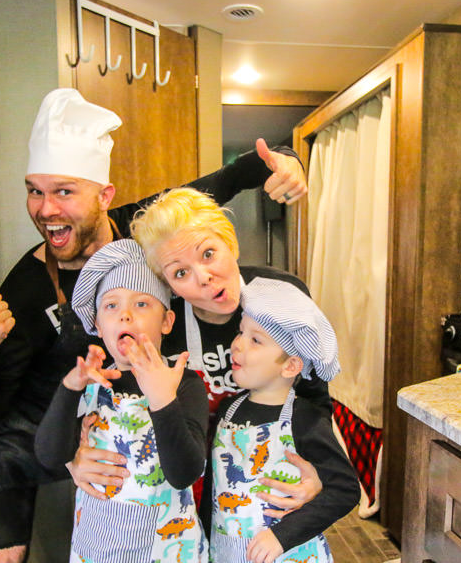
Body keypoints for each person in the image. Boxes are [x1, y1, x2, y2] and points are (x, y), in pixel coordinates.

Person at [0, 88, 308, 563]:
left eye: (64, 191)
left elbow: (235, 172)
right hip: (45, 417)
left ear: (104, 196)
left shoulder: (146, 229)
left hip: (141, 412)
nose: (46, 209)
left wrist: (283, 162)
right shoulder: (26, 286)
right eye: (35, 193)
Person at [70, 188, 331, 513]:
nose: (203, 277)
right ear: (168, 286)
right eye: (180, 273)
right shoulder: (162, 326)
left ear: (229, 242)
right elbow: (96, 388)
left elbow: (315, 399)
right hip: (191, 485)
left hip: (277, 475)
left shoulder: (283, 296)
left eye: (208, 254)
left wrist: (319, 469)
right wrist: (75, 456)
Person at [34, 239, 209, 563]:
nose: (125, 314)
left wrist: (160, 397)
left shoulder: (182, 384)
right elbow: (48, 453)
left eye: (142, 303)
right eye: (111, 305)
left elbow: (185, 471)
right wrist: (69, 389)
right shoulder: (90, 381)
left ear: (167, 321)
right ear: (97, 322)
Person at [203, 276, 358, 563]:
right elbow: (215, 490)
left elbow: (343, 490)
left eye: (256, 340)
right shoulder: (228, 410)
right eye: (241, 332)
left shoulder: (304, 419)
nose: (238, 344)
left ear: (291, 364)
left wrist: (281, 534)